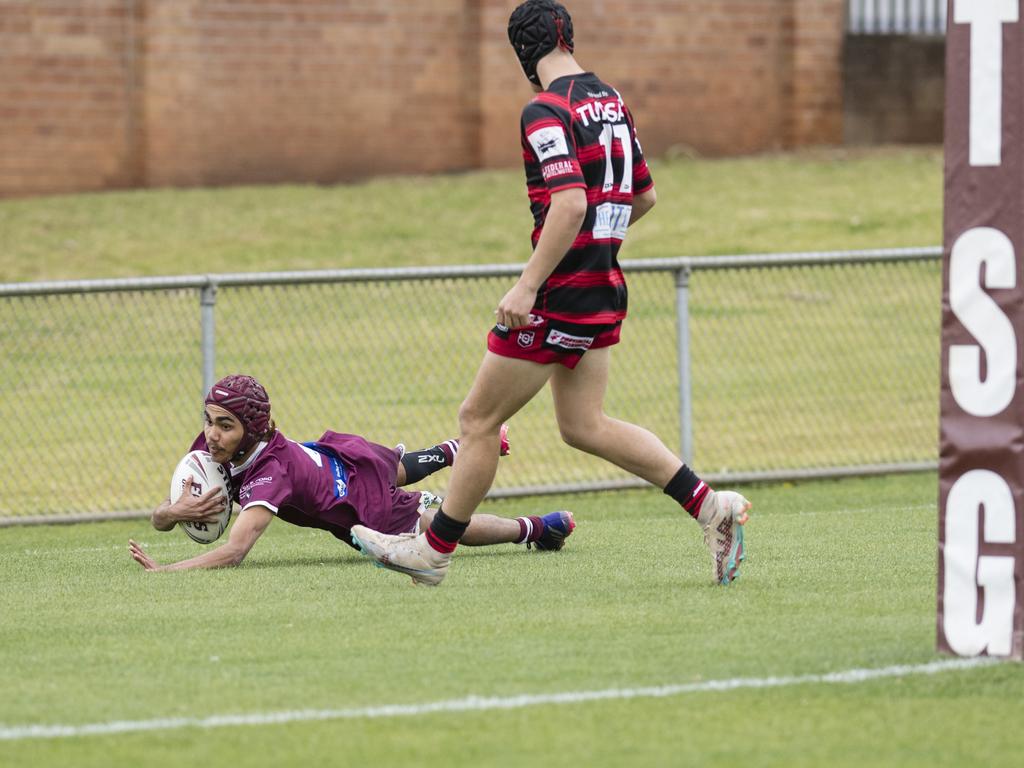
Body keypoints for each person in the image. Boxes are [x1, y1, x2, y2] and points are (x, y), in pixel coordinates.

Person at [350, 0, 750, 588]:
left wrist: (529, 282)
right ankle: (711, 508)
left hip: (559, 294)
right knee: (584, 424)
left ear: (522, 53)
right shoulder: (611, 100)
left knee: (477, 419)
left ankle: (432, 553)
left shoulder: (544, 109)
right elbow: (642, 198)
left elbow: (570, 202)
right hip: (603, 286)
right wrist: (593, 249)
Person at [128, 374, 575, 572]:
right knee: (395, 467)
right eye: (209, 420)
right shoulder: (211, 449)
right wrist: (171, 512)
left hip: (359, 505)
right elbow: (160, 519)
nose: (211, 434)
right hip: (337, 457)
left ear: (253, 429)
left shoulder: (269, 471)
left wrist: (166, 571)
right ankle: (462, 448)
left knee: (443, 527)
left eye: (225, 425)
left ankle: (537, 529)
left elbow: (235, 551)